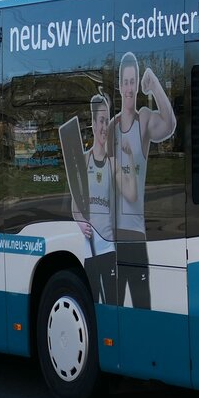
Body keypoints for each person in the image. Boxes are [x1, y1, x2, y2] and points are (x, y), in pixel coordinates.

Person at [112, 52, 176, 310]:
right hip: (112, 235)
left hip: (136, 235)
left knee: (142, 306)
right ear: (119, 86)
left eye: (133, 81)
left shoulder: (144, 119)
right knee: (112, 308)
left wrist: (156, 84)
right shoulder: (113, 125)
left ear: (137, 83)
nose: (129, 88)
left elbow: (170, 124)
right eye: (125, 82)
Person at [70, 92, 135, 304]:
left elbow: (131, 194)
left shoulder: (113, 164)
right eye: (101, 120)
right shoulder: (83, 161)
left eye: (107, 121)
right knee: (92, 301)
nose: (104, 126)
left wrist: (130, 158)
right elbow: (75, 206)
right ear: (93, 123)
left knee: (111, 304)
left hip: (108, 248)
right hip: (89, 251)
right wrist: (80, 222)